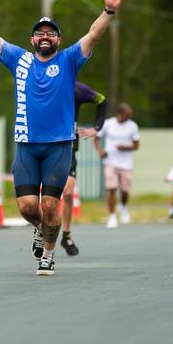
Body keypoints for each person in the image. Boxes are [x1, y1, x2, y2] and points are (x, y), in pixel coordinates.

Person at [0, 0, 131, 276]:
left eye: (51, 33)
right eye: (40, 33)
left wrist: (108, 11)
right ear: (32, 39)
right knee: (27, 207)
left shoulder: (69, 60)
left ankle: (48, 255)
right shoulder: (19, 60)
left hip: (58, 146)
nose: (45, 36)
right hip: (26, 145)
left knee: (49, 205)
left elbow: (93, 36)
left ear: (58, 39)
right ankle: (42, 230)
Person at [60, 82, 108, 256]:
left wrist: (96, 128)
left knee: (68, 193)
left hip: (69, 148)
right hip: (46, 146)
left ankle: (66, 235)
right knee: (48, 196)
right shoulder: (45, 83)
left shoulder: (77, 88)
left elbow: (102, 100)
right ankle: (43, 233)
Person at [93, 103, 140, 229]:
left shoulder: (132, 126)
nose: (129, 117)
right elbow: (96, 138)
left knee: (125, 191)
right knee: (111, 189)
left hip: (126, 163)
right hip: (110, 162)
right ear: (120, 113)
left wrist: (126, 147)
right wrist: (100, 151)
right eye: (127, 115)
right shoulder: (108, 124)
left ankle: (123, 207)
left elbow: (136, 145)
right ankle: (112, 217)